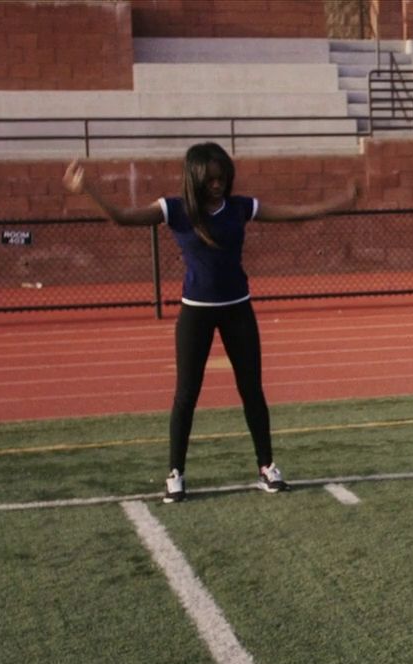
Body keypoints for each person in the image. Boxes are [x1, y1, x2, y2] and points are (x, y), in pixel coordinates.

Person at [63, 143, 361, 503]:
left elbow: (293, 214)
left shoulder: (240, 207)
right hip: (196, 312)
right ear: (195, 178)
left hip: (238, 309)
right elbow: (123, 217)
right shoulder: (174, 209)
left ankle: (267, 467)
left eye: (222, 178)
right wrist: (89, 191)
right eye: (210, 179)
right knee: (186, 394)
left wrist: (338, 203)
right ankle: (175, 473)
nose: (218, 185)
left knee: (252, 390)